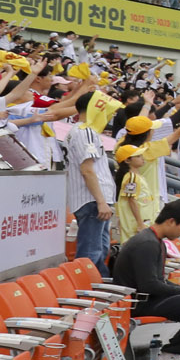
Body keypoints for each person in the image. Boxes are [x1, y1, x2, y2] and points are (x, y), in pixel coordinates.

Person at [110, 198, 180, 354]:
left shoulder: (154, 241)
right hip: (138, 303)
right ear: (171, 221)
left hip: (150, 299)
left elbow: (159, 281)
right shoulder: (147, 243)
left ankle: (176, 350)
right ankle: (173, 352)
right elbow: (150, 285)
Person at [64, 107, 115, 276]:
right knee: (90, 253)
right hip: (91, 199)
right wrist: (100, 201)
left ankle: (98, 285)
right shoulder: (84, 131)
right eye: (108, 110)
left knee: (99, 250)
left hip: (95, 199)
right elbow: (87, 170)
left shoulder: (86, 131)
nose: (110, 115)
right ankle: (85, 290)